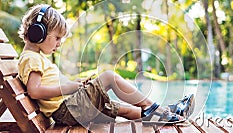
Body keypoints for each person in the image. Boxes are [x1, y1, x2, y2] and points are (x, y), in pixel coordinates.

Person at [17, 4, 193, 126]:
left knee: (120, 109)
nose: (59, 43)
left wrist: (75, 83)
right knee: (109, 77)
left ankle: (166, 114)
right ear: (37, 33)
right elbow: (35, 91)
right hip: (67, 110)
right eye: (57, 38)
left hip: (69, 110)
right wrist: (69, 88)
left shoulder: (33, 57)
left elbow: (44, 86)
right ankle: (152, 107)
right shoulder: (32, 59)